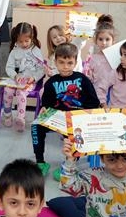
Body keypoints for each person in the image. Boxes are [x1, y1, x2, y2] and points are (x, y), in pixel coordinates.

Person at [31, 43, 100, 175]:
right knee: (35, 126)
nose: (65, 66)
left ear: (75, 63)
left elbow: (93, 101)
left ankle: (70, 163)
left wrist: (85, 114)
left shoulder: (82, 79)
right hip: (58, 117)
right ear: (55, 62)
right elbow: (47, 102)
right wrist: (44, 108)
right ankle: (40, 162)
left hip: (77, 118)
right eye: (61, 62)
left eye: (69, 63)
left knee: (75, 132)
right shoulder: (51, 82)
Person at [2, 22, 45, 132]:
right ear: (16, 40)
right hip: (16, 79)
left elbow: (41, 69)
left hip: (29, 81)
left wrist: (34, 78)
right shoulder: (14, 51)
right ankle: (7, 114)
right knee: (7, 90)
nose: (24, 44)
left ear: (32, 38)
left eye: (26, 41)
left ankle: (20, 118)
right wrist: (15, 75)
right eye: (20, 41)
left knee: (21, 92)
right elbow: (9, 67)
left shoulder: (36, 51)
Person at [83, 14, 116, 89]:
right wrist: (89, 76)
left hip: (113, 93)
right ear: (96, 40)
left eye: (107, 39)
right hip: (97, 92)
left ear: (113, 40)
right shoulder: (92, 59)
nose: (104, 43)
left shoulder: (117, 58)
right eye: (100, 39)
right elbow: (89, 79)